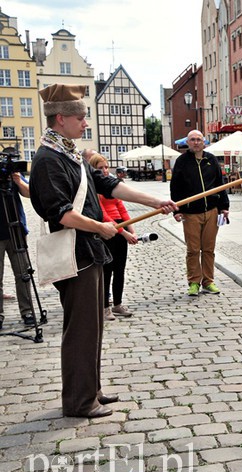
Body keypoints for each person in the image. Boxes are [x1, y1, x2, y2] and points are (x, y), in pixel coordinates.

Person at [30, 83, 177, 418]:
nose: (85, 123)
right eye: (80, 118)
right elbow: (61, 213)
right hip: (74, 253)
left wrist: (157, 200)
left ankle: (91, 390)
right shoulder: (47, 160)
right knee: (80, 330)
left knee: (93, 326)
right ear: (61, 119)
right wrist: (102, 227)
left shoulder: (69, 154)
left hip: (89, 252)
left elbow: (109, 184)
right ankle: (79, 402)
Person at [170, 129, 230, 296]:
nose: (196, 142)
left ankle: (208, 281)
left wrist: (224, 206)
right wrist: (177, 210)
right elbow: (175, 187)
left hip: (211, 210)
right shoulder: (182, 162)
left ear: (204, 142)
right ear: (187, 143)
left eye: (199, 139)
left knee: (209, 249)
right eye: (193, 140)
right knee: (193, 249)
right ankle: (194, 282)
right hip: (191, 213)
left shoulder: (211, 160)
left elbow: (221, 184)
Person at [90, 154, 137, 321]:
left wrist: (132, 230)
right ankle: (105, 307)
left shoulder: (111, 187)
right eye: (100, 168)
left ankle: (117, 303)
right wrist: (123, 232)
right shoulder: (94, 187)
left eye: (105, 167)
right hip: (107, 230)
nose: (104, 170)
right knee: (107, 270)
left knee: (120, 270)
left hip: (119, 228)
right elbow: (102, 214)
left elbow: (123, 210)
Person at [0, 167, 35, 329]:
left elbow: (29, 193)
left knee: (23, 273)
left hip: (16, 230)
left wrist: (18, 181)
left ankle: (27, 311)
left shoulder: (10, 170)